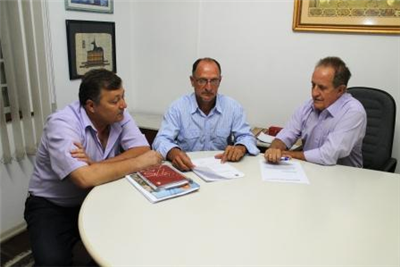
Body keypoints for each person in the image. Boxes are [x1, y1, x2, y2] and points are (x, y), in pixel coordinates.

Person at [24, 69, 163, 266]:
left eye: (122, 97)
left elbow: (141, 148)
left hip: (99, 196)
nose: (124, 105)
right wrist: (139, 163)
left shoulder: (120, 115)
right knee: (52, 262)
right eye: (115, 101)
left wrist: (96, 165)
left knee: (126, 244)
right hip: (53, 205)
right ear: (91, 106)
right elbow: (84, 178)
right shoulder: (62, 124)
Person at [153, 57, 259, 171]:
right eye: (202, 80)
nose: (208, 87)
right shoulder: (177, 108)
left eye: (214, 81)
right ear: (192, 81)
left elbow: (247, 136)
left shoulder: (233, 107)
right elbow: (161, 140)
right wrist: (173, 152)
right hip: (188, 169)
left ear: (220, 81)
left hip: (222, 168)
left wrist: (240, 147)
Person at [264, 56, 366, 167]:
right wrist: (274, 149)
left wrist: (286, 154)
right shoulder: (308, 106)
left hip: (344, 178)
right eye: (313, 85)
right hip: (309, 172)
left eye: (322, 88)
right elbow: (287, 134)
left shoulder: (353, 112)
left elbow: (328, 155)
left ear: (340, 90)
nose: (314, 93)